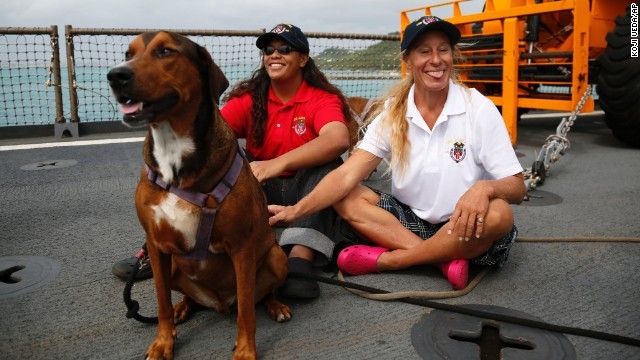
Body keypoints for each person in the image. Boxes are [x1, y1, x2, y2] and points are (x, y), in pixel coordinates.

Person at [268, 16, 526, 290]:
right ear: (409, 60)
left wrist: (484, 189)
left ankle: (395, 261)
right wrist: (297, 210)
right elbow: (346, 174)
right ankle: (440, 260)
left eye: (443, 50)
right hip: (410, 222)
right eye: (424, 51)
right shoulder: (394, 111)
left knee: (500, 214)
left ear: (453, 56)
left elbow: (517, 187)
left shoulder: (478, 106)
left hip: (464, 224)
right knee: (346, 196)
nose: (436, 60)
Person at [113, 23, 353, 300]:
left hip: (305, 187)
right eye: (268, 50)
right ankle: (156, 246)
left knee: (329, 169)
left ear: (303, 59)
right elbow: (212, 134)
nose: (274, 55)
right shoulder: (250, 98)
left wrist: (277, 163)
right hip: (260, 187)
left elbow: (337, 139)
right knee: (216, 170)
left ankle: (300, 258)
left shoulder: (321, 98)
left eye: (285, 49)